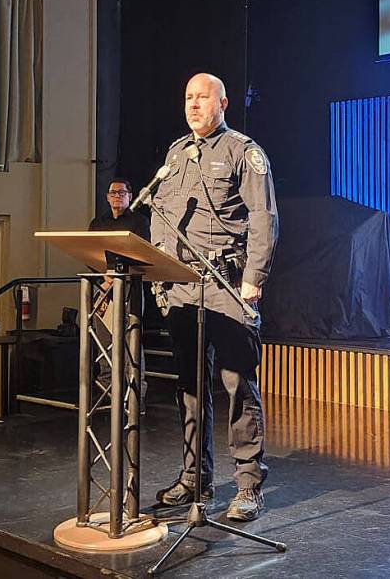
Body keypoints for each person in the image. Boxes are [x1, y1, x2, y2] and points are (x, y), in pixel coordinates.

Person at [150, 73, 278, 522]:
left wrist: (253, 278)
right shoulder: (176, 153)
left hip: (227, 284)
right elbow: (162, 215)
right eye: (187, 98)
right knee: (189, 388)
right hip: (184, 287)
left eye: (201, 97)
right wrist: (160, 273)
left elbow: (264, 219)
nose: (193, 105)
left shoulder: (244, 152)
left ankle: (247, 485)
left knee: (237, 383)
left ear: (222, 102)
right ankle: (195, 478)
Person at [88, 178, 150, 405]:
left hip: (129, 289)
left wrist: (117, 276)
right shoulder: (97, 223)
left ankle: (135, 400)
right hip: (102, 287)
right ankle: (107, 395)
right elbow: (89, 253)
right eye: (113, 192)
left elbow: (141, 254)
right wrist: (104, 277)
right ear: (106, 197)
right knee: (104, 342)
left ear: (130, 196)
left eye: (122, 192)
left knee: (130, 343)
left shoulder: (138, 222)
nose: (117, 196)